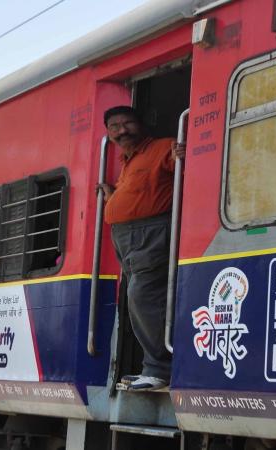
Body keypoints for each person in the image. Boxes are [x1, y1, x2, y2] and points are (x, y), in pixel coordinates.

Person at [97, 105, 184, 391]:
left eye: (127, 123)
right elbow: (139, 194)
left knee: (143, 296)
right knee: (137, 301)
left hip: (151, 234)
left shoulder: (162, 147)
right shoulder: (127, 160)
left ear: (141, 124)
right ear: (108, 134)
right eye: (114, 127)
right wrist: (113, 199)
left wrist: (186, 155)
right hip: (127, 239)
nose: (122, 130)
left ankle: (161, 369)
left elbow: (186, 167)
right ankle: (152, 366)